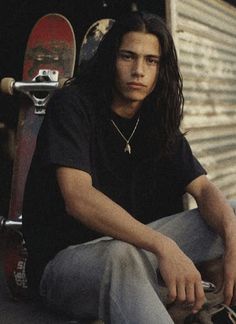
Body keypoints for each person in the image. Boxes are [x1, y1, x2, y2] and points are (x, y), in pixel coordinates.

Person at [22, 11, 236, 324]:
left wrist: (232, 243)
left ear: (161, 69)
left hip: (135, 252)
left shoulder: (156, 120)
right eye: (128, 56)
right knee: (120, 256)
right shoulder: (73, 105)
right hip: (64, 265)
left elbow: (203, 189)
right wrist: (164, 246)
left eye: (151, 61)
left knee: (230, 213)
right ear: (111, 58)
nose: (138, 70)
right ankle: (179, 306)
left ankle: (197, 301)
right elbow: (77, 197)